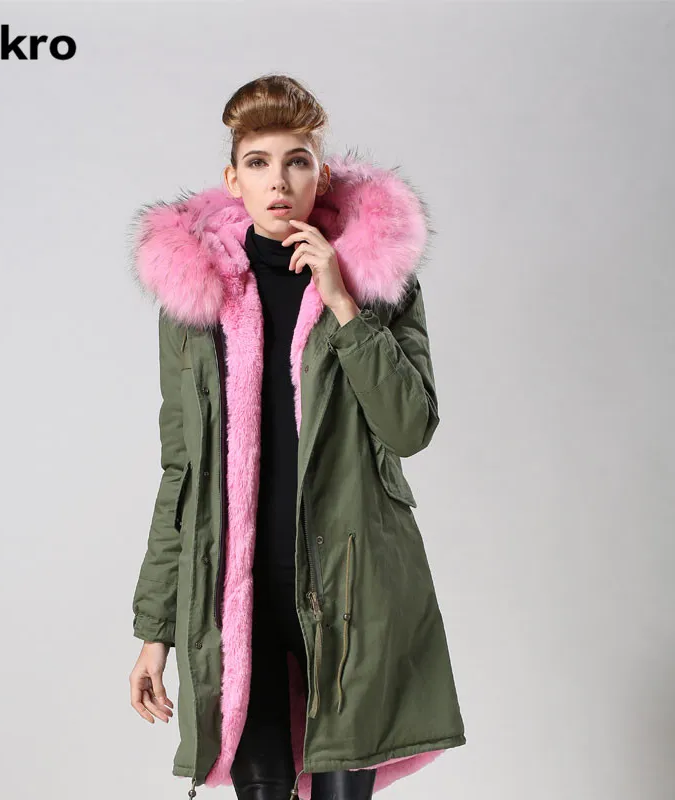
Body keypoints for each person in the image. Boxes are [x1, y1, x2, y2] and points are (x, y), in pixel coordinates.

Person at [127, 74, 466, 800]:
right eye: (258, 162)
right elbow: (181, 472)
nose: (278, 181)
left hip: (351, 588)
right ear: (234, 179)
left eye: (297, 161)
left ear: (322, 173)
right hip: (238, 597)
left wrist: (343, 305)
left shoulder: (379, 282)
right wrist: (155, 629)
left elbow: (410, 427)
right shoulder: (197, 301)